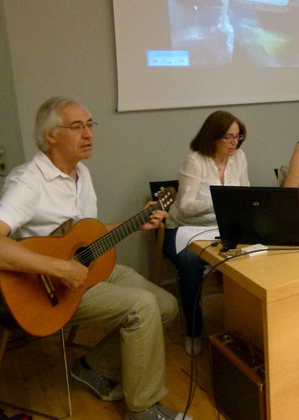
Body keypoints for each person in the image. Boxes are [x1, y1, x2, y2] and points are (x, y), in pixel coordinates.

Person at [0, 97, 188, 420]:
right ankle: (142, 409)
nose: (88, 134)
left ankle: (93, 367)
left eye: (90, 125)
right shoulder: (28, 181)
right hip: (50, 292)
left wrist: (134, 222)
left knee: (166, 305)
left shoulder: (81, 173)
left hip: (88, 271)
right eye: (77, 127)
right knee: (143, 306)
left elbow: (85, 236)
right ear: (50, 135)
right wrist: (60, 267)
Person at [164, 110, 249, 356]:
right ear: (212, 137)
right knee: (191, 263)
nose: (234, 143)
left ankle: (245, 325)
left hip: (222, 227)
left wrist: (237, 206)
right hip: (185, 229)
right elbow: (185, 206)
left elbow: (244, 193)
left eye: (237, 136)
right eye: (228, 137)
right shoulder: (195, 161)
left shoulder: (239, 157)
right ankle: (193, 329)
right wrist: (223, 202)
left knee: (255, 252)